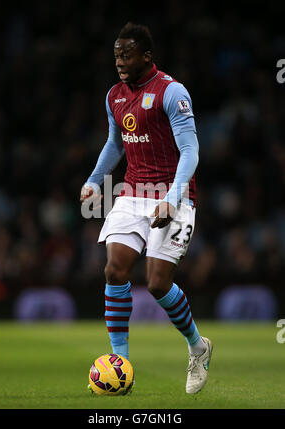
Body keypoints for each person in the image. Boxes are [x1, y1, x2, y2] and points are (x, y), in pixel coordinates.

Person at [80, 22, 213, 394]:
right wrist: (94, 179)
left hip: (174, 193)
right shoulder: (114, 96)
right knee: (114, 268)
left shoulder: (172, 92)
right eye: (116, 55)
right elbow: (115, 144)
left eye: (127, 54)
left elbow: (191, 150)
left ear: (147, 56)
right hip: (134, 192)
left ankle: (197, 347)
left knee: (156, 283)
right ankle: (120, 364)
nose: (120, 61)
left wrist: (172, 198)